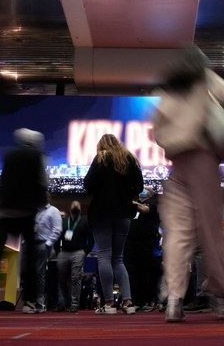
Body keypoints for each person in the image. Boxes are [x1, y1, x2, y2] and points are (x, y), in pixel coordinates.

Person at [151, 46, 224, 322]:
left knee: (178, 235)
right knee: (210, 231)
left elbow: (157, 133)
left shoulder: (167, 91)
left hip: (176, 166)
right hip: (203, 160)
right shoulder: (205, 78)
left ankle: (174, 300)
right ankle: (221, 296)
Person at [0, 128, 48, 315]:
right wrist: (38, 205)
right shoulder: (37, 156)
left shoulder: (8, 155)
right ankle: (29, 301)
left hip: (5, 211)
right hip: (26, 212)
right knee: (29, 256)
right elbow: (42, 184)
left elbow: (2, 182)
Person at [83, 133, 144, 315]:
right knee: (118, 258)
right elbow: (139, 186)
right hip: (124, 213)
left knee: (103, 256)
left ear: (101, 145)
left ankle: (109, 304)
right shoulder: (129, 158)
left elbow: (88, 184)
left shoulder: (101, 158)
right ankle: (128, 301)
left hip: (101, 213)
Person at [124, 187, 162, 311]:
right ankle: (133, 300)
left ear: (150, 194)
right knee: (132, 273)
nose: (142, 191)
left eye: (145, 190)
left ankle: (145, 301)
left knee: (143, 272)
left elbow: (145, 209)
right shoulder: (134, 207)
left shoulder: (152, 205)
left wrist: (133, 202)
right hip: (130, 243)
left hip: (145, 244)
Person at [56, 200, 92, 313]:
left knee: (75, 277)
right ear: (70, 208)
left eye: (77, 204)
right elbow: (58, 237)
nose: (75, 205)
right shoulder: (64, 221)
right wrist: (58, 251)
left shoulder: (85, 221)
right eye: (73, 204)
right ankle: (67, 301)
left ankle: (75, 302)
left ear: (80, 209)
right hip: (64, 252)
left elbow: (91, 238)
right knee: (61, 278)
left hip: (78, 252)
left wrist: (85, 251)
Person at [31, 193, 62, 313]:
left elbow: (57, 229)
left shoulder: (53, 211)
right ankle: (33, 300)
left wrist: (48, 244)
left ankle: (40, 302)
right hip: (33, 244)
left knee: (40, 272)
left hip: (44, 244)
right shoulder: (37, 211)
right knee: (31, 272)